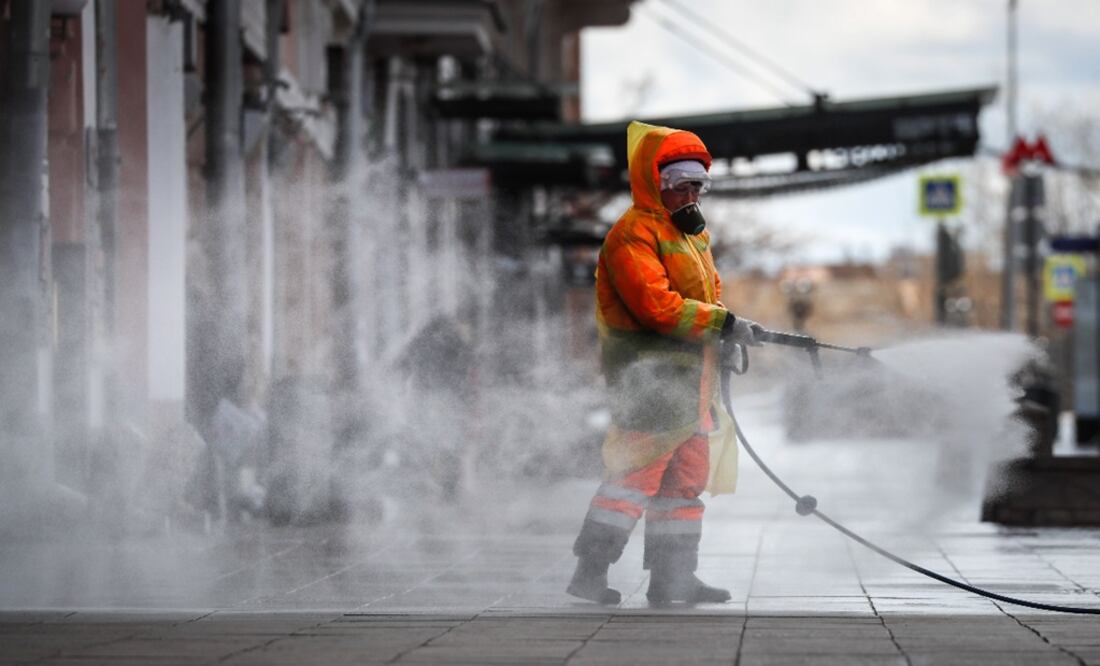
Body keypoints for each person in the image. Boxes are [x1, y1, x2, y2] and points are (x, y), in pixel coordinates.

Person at [567, 121, 762, 606]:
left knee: (683, 485)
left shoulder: (689, 235)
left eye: (698, 186)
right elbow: (656, 307)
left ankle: (674, 579)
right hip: (649, 380)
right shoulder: (631, 236)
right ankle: (590, 572)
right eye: (682, 186)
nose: (692, 195)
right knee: (633, 479)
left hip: (691, 383)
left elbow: (702, 303)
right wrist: (723, 323)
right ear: (658, 184)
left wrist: (727, 329)